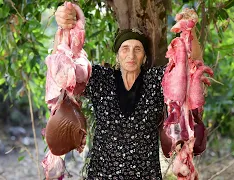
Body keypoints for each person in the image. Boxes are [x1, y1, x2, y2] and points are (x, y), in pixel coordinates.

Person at [52, 4, 207, 179]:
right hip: (102, 173)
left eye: (137, 49)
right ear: (117, 55)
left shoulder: (156, 80)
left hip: (145, 174)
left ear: (144, 57)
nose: (131, 55)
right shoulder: (101, 78)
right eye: (125, 49)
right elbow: (63, 71)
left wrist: (189, 32)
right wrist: (64, 27)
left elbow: (191, 65)